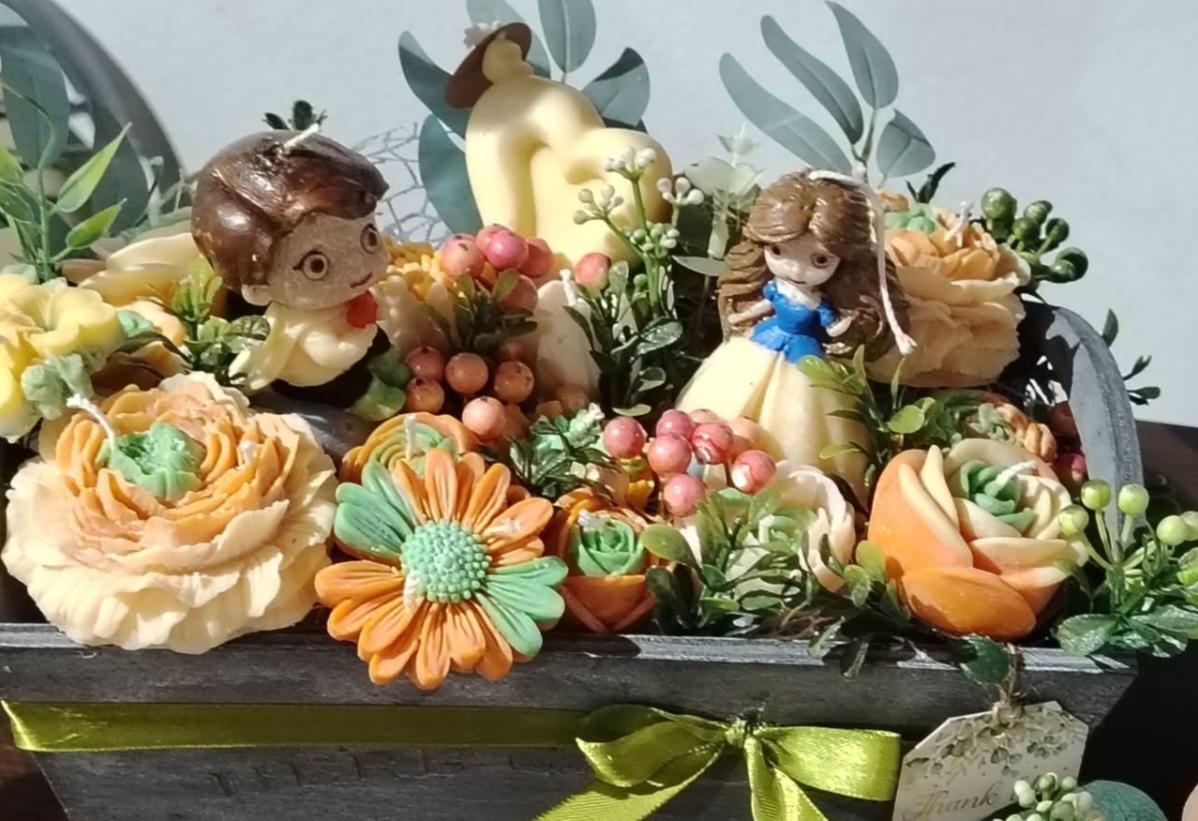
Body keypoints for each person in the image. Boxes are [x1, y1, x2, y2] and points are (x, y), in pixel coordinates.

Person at [676, 170, 910, 502]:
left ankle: (797, 493)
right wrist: (739, 317)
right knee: (725, 397)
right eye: (778, 251)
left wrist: (844, 330)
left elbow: (832, 325)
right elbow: (761, 306)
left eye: (820, 259)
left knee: (806, 425)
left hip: (806, 358)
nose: (797, 270)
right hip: (762, 341)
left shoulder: (820, 302)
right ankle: (704, 466)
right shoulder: (775, 288)